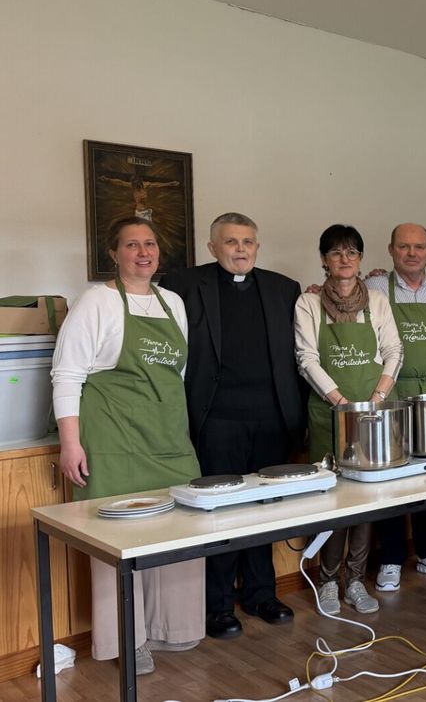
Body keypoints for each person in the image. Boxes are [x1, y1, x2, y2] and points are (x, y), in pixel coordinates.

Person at [51, 216, 204, 675]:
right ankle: (129, 640)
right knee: (118, 541)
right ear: (113, 254)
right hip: (114, 436)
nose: (143, 252)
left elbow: (177, 374)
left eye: (150, 244)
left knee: (179, 531)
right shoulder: (96, 302)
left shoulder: (172, 302)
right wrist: (71, 444)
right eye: (132, 245)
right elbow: (67, 374)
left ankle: (173, 627)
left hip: (168, 435)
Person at [160, 213, 304, 640]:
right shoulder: (184, 285)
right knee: (219, 513)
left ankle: (261, 594)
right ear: (212, 248)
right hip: (217, 419)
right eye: (231, 242)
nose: (241, 249)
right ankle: (217, 605)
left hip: (272, 418)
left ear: (257, 246)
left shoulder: (284, 289)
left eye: (248, 242)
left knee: (264, 510)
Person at [295, 224, 403, 615]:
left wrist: (375, 400)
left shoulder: (377, 301)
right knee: (333, 501)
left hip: (372, 412)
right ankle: (327, 582)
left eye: (352, 252)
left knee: (366, 500)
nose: (344, 259)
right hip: (329, 414)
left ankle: (355, 580)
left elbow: (393, 350)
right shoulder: (308, 303)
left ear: (360, 259)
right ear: (324, 259)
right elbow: (306, 358)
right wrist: (342, 403)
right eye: (336, 252)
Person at [365, 223, 426, 591]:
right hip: (393, 390)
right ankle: (390, 556)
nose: (412, 253)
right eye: (404, 247)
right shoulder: (375, 285)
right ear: (391, 250)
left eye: (419, 247)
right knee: (392, 476)